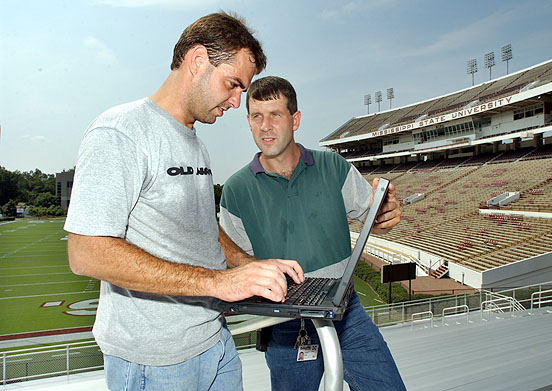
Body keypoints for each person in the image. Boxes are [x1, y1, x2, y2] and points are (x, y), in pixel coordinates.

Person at [64, 14, 303, 391]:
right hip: (155, 361)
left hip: (214, 340)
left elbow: (202, 227)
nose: (238, 100)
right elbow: (86, 253)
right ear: (197, 61)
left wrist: (250, 266)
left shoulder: (194, 141)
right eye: (233, 84)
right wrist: (219, 283)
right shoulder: (120, 132)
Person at [220, 76, 406, 390]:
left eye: (275, 115)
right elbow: (235, 257)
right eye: (256, 116)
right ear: (249, 122)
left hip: (346, 311)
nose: (265, 125)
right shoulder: (236, 190)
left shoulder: (333, 166)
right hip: (285, 324)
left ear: (295, 120)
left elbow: (373, 214)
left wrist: (386, 213)